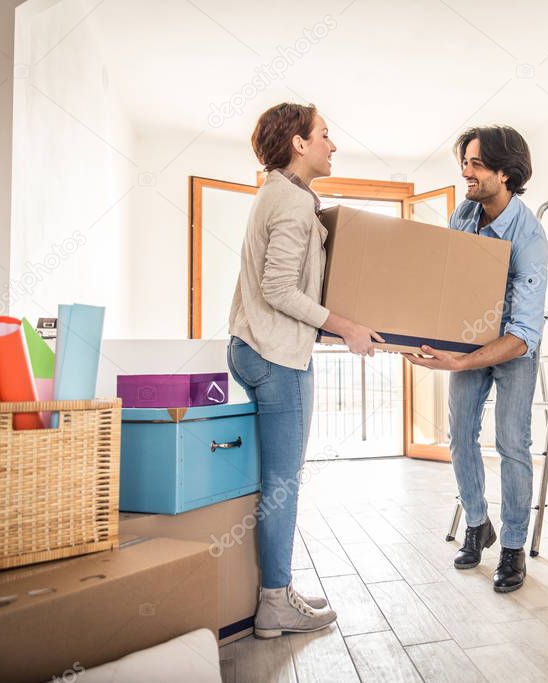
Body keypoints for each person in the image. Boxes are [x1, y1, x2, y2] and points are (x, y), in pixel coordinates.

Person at [228, 102, 383, 637]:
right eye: (324, 134)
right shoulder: (292, 205)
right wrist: (345, 325)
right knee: (282, 483)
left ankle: (277, 587)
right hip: (277, 357)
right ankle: (274, 601)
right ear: (298, 143)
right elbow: (277, 289)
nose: (332, 144)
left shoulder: (277, 194)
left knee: (274, 479)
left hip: (251, 345)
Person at [404, 125, 548, 593]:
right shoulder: (463, 214)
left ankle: (511, 547)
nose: (465, 172)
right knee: (460, 434)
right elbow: (450, 284)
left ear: (505, 174)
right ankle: (477, 523)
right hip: (469, 338)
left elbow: (525, 334)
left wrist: (460, 364)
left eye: (475, 164)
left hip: (511, 346)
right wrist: (427, 336)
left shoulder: (530, 238)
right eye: (463, 161)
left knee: (511, 443)